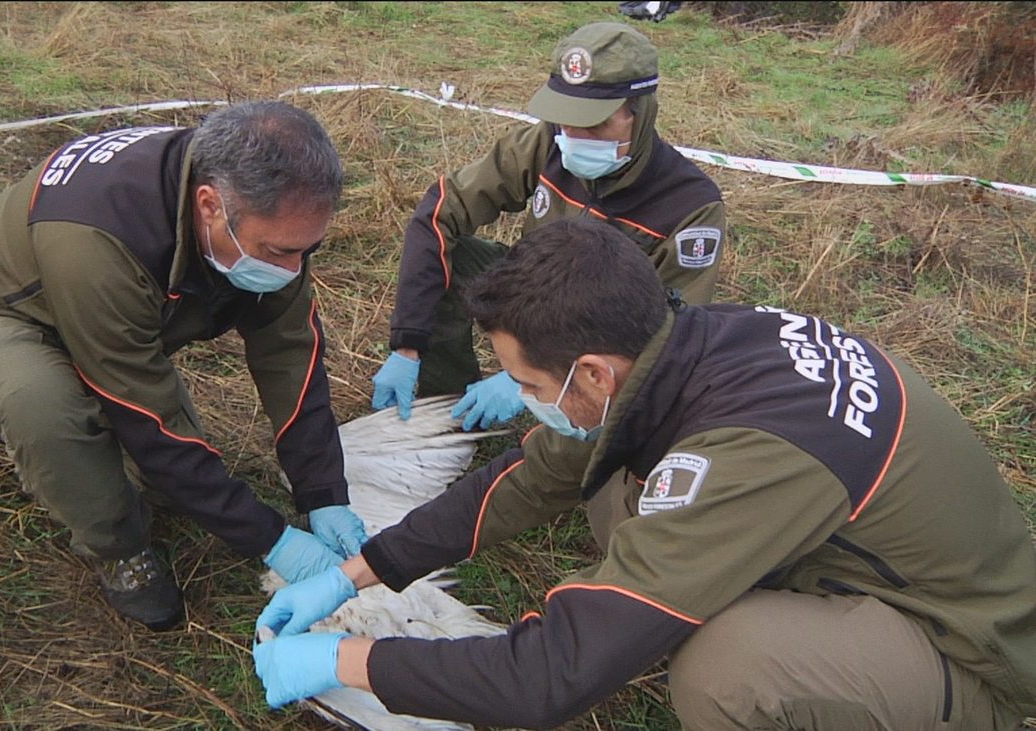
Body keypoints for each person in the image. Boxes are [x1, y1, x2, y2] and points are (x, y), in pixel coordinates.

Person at [254, 217, 1036, 729]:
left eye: (527, 383)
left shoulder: (750, 451)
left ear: (591, 372)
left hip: (973, 654)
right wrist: (359, 573)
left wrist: (338, 658)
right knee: (611, 487)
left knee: (729, 668)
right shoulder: (690, 340)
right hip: (857, 557)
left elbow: (549, 679)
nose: (526, 401)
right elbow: (536, 474)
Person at [0, 101, 369, 632]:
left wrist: (323, 493)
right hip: (6, 310)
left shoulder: (257, 211)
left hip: (120, 313)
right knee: (46, 410)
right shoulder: (98, 234)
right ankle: (118, 549)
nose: (293, 269)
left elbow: (290, 356)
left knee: (169, 486)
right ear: (210, 205)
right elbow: (149, 418)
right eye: (277, 251)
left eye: (308, 249)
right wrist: (270, 540)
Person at [371, 21, 726, 432]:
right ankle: (450, 412)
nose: (572, 136)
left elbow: (667, 333)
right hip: (534, 296)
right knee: (460, 257)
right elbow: (440, 212)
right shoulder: (544, 143)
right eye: (565, 118)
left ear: (640, 114)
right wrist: (409, 343)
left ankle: (565, 422)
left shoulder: (689, 206)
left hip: (600, 344)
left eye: (594, 124)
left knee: (581, 440)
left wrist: (537, 375)